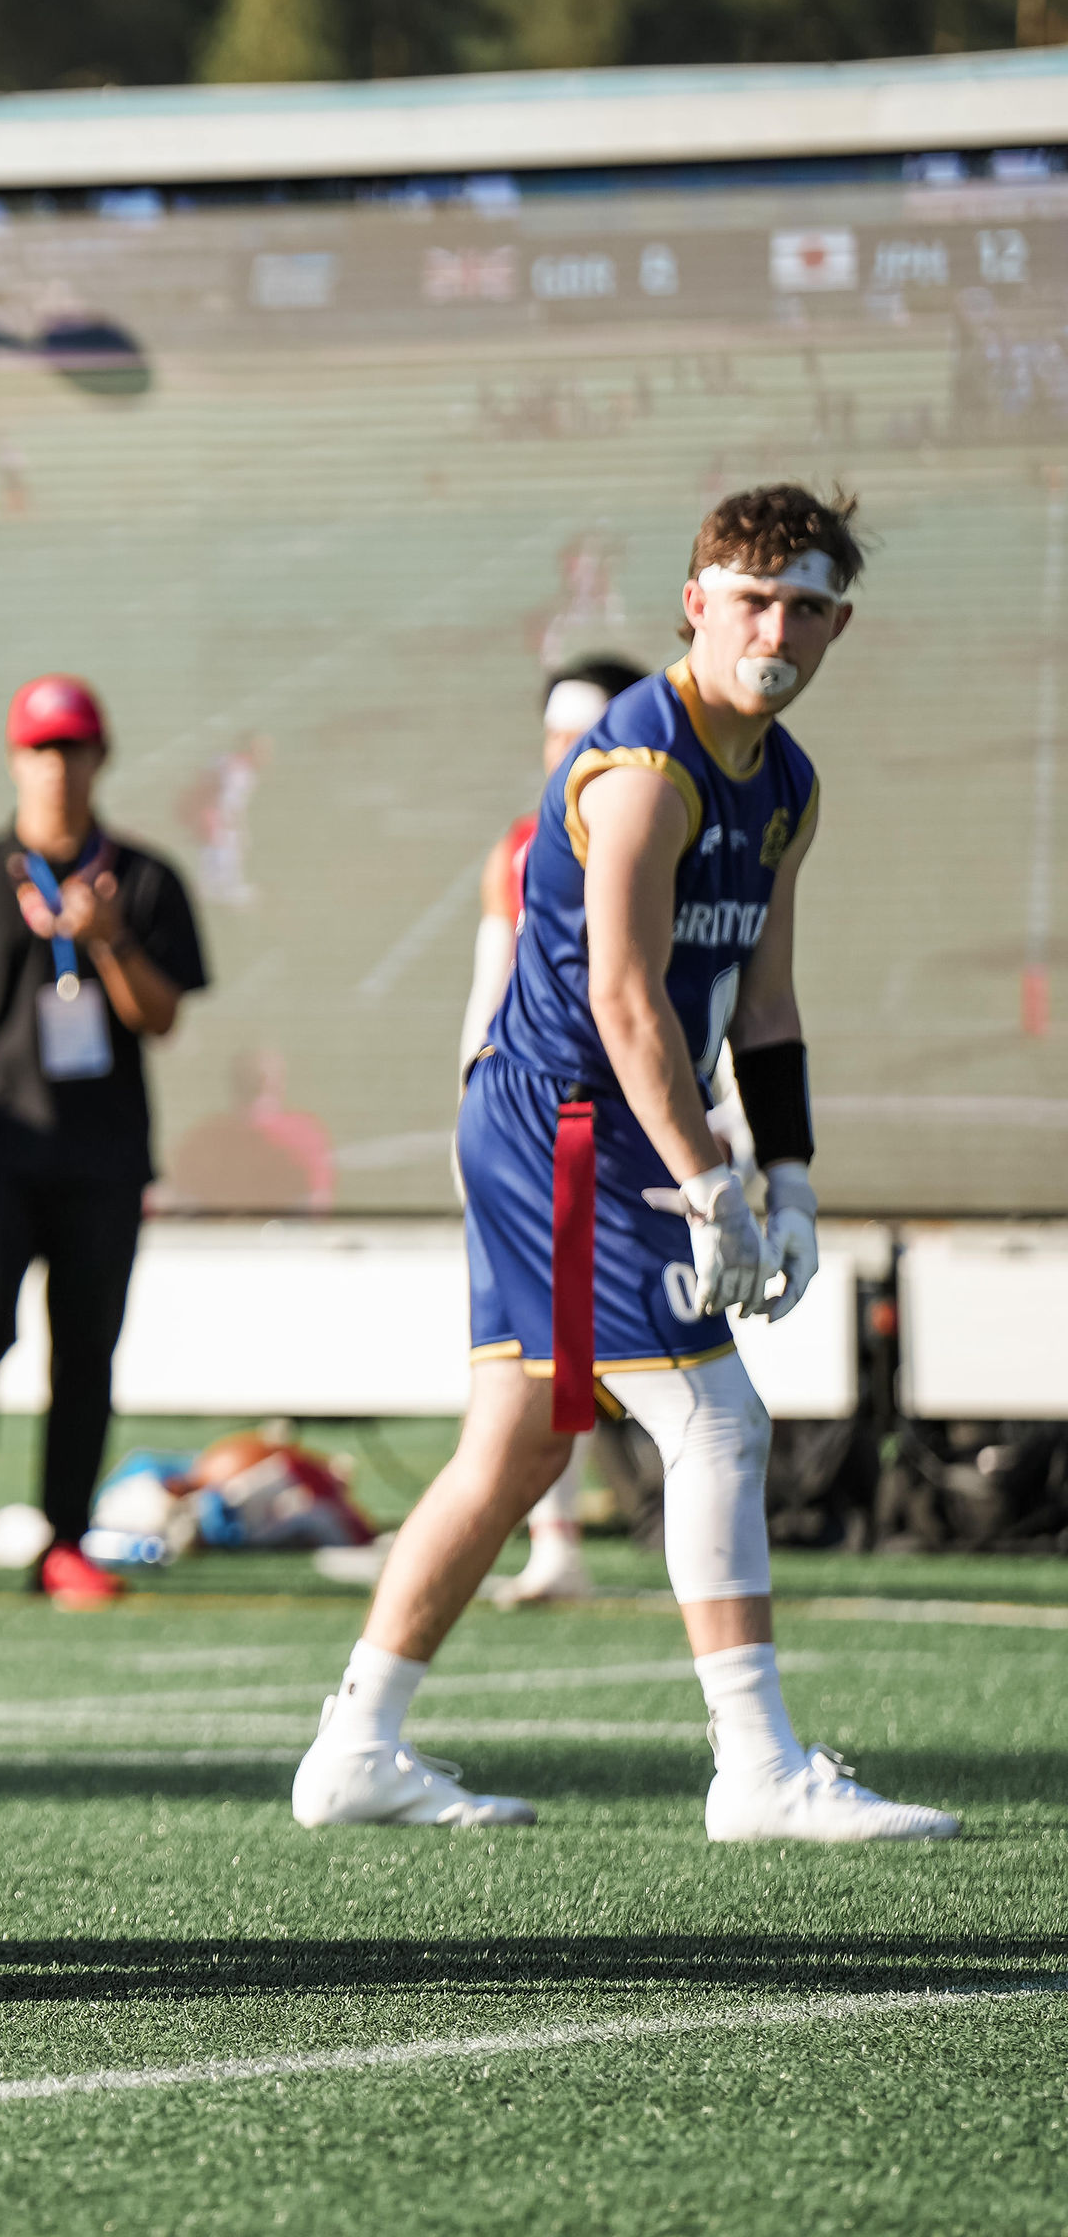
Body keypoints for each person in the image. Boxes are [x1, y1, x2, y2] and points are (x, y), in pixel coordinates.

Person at [291, 485, 955, 1843]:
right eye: (752, 600)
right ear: (696, 603)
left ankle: (355, 1747)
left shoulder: (786, 783)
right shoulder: (647, 764)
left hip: (595, 1122)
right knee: (718, 1422)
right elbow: (626, 1000)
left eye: (806, 608)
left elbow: (764, 1002)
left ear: (838, 626)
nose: (776, 631)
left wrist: (792, 1176)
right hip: (571, 1124)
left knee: (521, 1445)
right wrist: (711, 1185)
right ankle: (757, 1770)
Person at [0, 676, 207, 1611]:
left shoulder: (144, 879)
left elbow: (160, 1017)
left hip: (103, 1155)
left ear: (101, 758)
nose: (57, 766)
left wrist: (108, 939)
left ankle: (64, 1539)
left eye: (73, 748)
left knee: (86, 1349)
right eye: (41, 749)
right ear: (16, 760)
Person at [466, 657, 646, 1609]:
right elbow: (489, 990)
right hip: (538, 1120)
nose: (565, 751)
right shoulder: (522, 846)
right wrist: (473, 1102)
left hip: (633, 1119)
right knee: (532, 1352)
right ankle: (554, 1538)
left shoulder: (670, 827)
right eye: (554, 733)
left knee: (662, 1367)